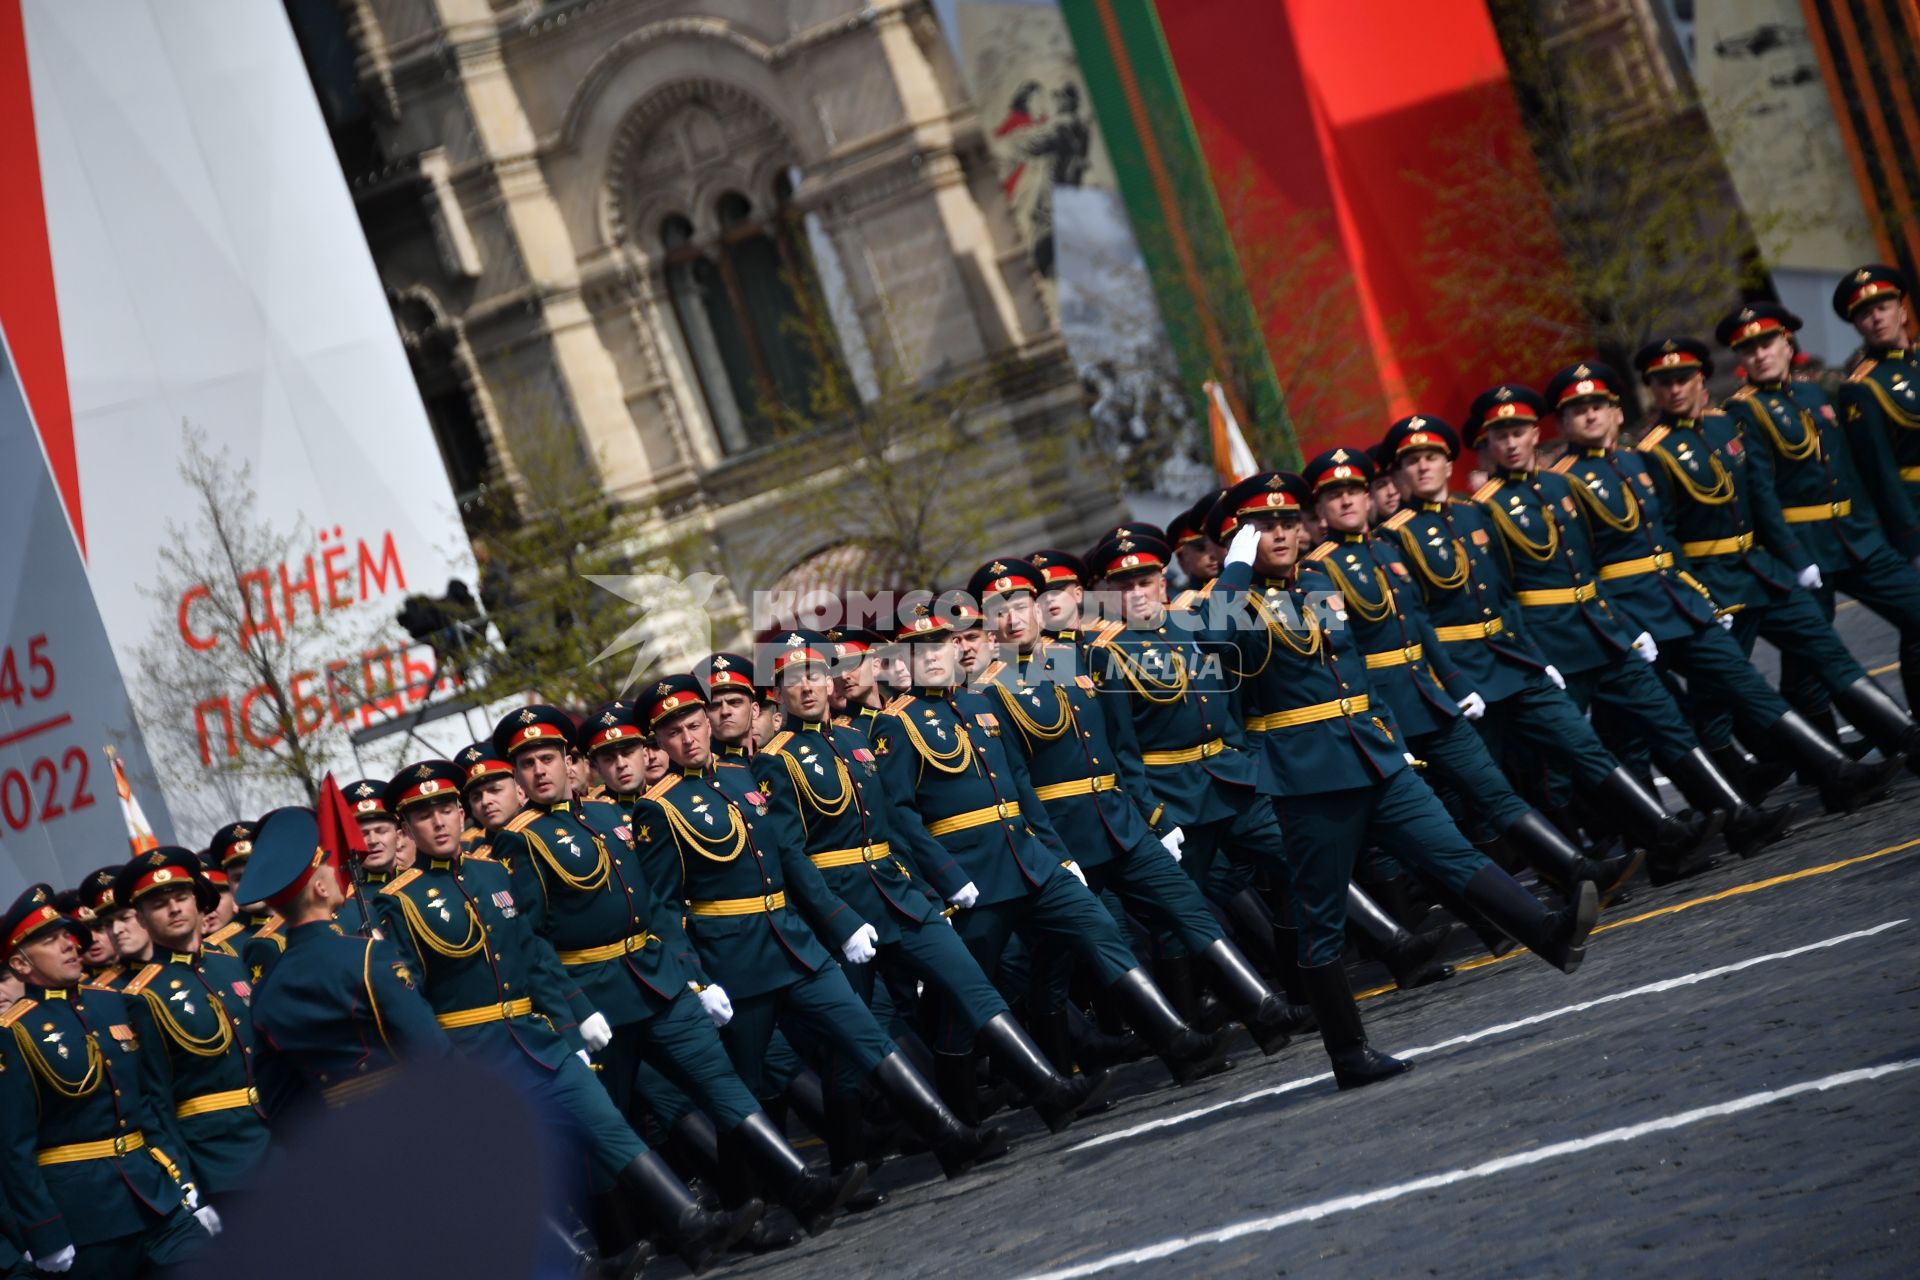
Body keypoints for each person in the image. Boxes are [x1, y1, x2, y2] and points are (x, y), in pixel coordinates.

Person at [1204, 472, 1598, 1088]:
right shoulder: (1231, 601)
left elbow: (1353, 670)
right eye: (1262, 527)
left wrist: (1387, 734)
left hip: (1372, 755)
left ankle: (1545, 931)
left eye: (1287, 523)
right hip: (1308, 777)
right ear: (1240, 539)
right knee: (1320, 915)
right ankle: (1349, 1053)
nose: (1279, 534)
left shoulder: (1316, 584)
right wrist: (1231, 573)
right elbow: (1212, 650)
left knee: (1450, 849)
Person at [367, 759, 758, 1273]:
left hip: (536, 1036)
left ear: (460, 814)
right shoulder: (397, 903)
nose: (438, 823)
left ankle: (691, 1223)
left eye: (445, 809)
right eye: (423, 815)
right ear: (406, 830)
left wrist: (573, 1017)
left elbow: (532, 954)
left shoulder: (491, 872)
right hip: (477, 1053)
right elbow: (407, 1003)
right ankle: (590, 1259)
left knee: (606, 1124)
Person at [492, 704, 866, 1238]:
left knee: (724, 1086)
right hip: (597, 1001)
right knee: (609, 1127)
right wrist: (572, 1012)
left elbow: (654, 907)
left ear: (570, 762)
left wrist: (688, 975)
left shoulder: (609, 817)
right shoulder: (517, 841)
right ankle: (626, 1246)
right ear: (519, 778)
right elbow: (528, 942)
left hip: (656, 981)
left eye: (548, 758)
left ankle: (797, 1190)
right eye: (527, 765)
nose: (541, 771)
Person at [631, 674, 1012, 1179]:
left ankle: (950, 1138)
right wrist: (696, 977)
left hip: (794, 942)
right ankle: (753, 1202)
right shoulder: (657, 809)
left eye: (695, 725)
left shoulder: (743, 776)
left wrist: (829, 922)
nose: (689, 738)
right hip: (735, 961)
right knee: (743, 1089)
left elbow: (783, 859)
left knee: (865, 1036)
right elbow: (661, 906)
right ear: (659, 742)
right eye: (674, 733)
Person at [751, 631, 1106, 1140]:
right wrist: (839, 922)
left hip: (899, 896)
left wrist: (932, 889)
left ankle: (1048, 1090)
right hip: (843, 909)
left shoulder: (856, 741)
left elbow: (893, 827)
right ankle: (856, 1157)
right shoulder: (775, 759)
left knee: (974, 988)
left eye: (813, 675)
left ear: (830, 682)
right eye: (790, 680)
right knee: (853, 1045)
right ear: (777, 693)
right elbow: (790, 854)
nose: (805, 688)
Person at [867, 605, 1229, 1086]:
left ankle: (1177, 1041)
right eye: (917, 651)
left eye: (938, 646)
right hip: (973, 874)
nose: (931, 657)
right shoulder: (897, 724)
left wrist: (1053, 850)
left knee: (1098, 926)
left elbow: (1016, 783)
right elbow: (901, 818)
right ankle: (965, 1103)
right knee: (972, 992)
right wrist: (947, 879)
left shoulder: (979, 704)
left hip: (1028, 859)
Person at [966, 556, 1305, 1053]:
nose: (1013, 617)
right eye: (999, 610)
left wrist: (1147, 812)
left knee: (1189, 910)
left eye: (1021, 604)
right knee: (1061, 960)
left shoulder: (1080, 658)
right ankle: (1069, 1064)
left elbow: (1121, 746)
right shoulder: (988, 692)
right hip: (1065, 837)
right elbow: (1015, 785)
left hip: (1119, 822)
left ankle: (1264, 1013)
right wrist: (1052, 852)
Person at [1545, 360, 1896, 832]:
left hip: (1675, 601)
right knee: (1635, 731)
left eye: (1597, 406)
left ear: (1616, 412)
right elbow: (1580, 567)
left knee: (1744, 686)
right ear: (1563, 422)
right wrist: (1621, 627)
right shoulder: (1560, 483)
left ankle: (1836, 773)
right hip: (1627, 616)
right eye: (1577, 410)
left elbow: (1665, 537)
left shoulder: (1634, 462)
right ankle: (1660, 833)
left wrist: (1695, 593)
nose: (1590, 416)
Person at [1467, 382, 1784, 876]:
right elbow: (1502, 593)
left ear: (1535, 434)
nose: (1510, 443)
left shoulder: (1560, 486)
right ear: (1486, 445)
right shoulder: (1483, 508)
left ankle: (1735, 818)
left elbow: (1591, 564)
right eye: (1499, 435)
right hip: (1552, 645)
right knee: (1562, 763)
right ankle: (1578, 863)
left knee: (1662, 721)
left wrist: (1621, 624)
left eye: (1519, 431)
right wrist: (1531, 653)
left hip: (1600, 630)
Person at [1379, 411, 1711, 881]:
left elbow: (1509, 594)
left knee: (1581, 745)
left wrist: (1534, 656)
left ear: (1449, 462)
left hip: (1510, 660)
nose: (1423, 467)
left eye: (1432, 457)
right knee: (1491, 787)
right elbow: (1415, 622)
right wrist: (1448, 680)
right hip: (1462, 672)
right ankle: (1552, 878)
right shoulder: (1393, 537)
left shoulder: (1475, 513)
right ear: (1399, 473)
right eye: (1411, 461)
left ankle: (1662, 833)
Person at [1300, 446, 1639, 895]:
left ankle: (1576, 872)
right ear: (1320, 511)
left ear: (1368, 498)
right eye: (1333, 495)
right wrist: (1373, 719)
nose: (1346, 501)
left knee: (1492, 791)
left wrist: (1454, 684)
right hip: (1384, 711)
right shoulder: (1314, 573)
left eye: (1353, 491)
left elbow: (1418, 622)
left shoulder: (1385, 548)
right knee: (1431, 822)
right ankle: (1484, 916)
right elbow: (1336, 657)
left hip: (1428, 696)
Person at [1629, 335, 1918, 779]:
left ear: (1701, 379)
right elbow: (1662, 536)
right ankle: (1735, 789)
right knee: (1719, 695)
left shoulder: (1724, 425)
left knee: (1828, 652)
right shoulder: (1654, 451)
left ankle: (1904, 740)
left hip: (1762, 569)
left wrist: (1789, 557)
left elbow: (1760, 497)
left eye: (1683, 378)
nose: (1675, 389)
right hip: (1714, 580)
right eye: (1663, 382)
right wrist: (1698, 595)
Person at [1717, 301, 1920, 746]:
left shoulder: (1812, 395)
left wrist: (1876, 529)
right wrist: (1791, 556)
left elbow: (1847, 470)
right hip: (1804, 547)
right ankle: (1831, 759)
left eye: (1768, 343)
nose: (1760, 355)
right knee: (1809, 661)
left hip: (1857, 539)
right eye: (1748, 349)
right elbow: (1761, 492)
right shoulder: (1742, 411)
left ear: (1787, 344)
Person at [0, 885, 214, 1275]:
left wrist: (182, 1180)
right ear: (20, 965)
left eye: (67, 935)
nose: (68, 944)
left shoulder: (113, 1002)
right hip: (88, 1218)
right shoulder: (13, 1033)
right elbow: (14, 1150)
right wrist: (44, 1233)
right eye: (51, 941)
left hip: (156, 1195)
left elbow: (149, 1105)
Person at [110, 847, 271, 1201]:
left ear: (199, 902)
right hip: (218, 1157)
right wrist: (183, 1179)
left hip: (275, 1134)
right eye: (158, 904)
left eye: (182, 897)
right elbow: (155, 1101)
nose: (174, 908)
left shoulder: (230, 964)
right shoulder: (143, 996)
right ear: (140, 918)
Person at [1833, 265, 1920, 713]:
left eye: (1883, 306)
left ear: (1902, 309)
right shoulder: (1861, 387)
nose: (1876, 318)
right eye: (1864, 314)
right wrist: (1907, 539)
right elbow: (1878, 473)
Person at [696, 652, 761, 761]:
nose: (725, 712)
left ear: (754, 710)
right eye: (714, 706)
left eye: (734, 702)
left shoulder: (776, 760)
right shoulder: (707, 771)